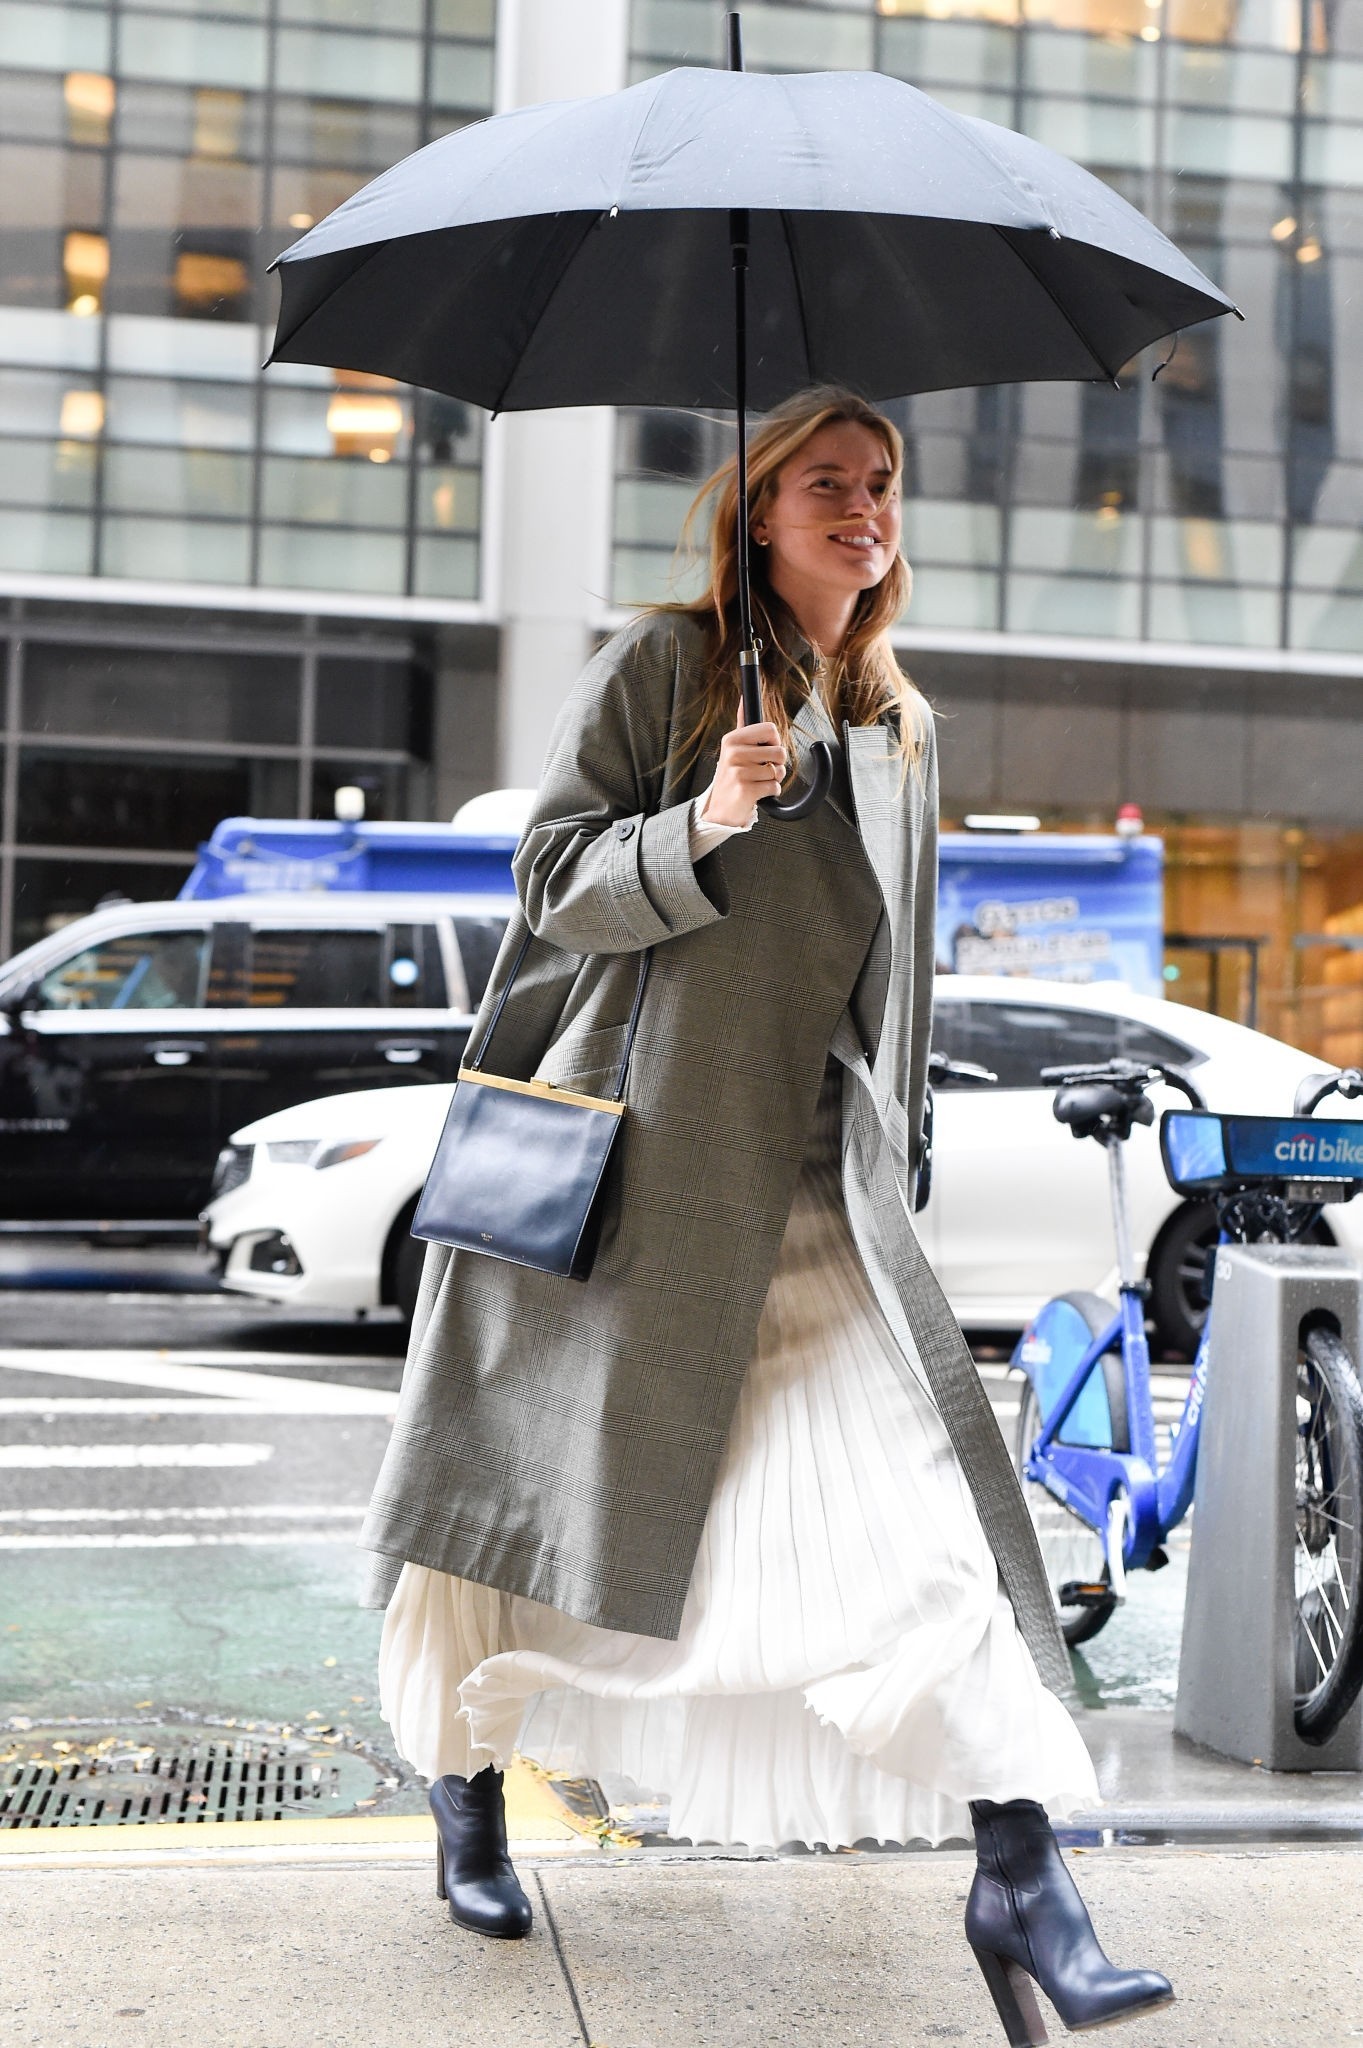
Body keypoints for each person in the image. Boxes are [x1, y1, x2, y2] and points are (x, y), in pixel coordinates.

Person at [362, 387, 1173, 2040]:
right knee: (517, 1511)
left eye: (882, 484)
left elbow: (904, 973)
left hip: (820, 1197)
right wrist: (707, 819)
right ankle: (466, 1788)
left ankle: (1025, 1881)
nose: (864, 510)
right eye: (827, 484)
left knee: (932, 1532)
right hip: (641, 1184)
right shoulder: (665, 669)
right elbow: (550, 881)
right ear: (757, 509)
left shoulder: (895, 719)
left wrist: (907, 1142)